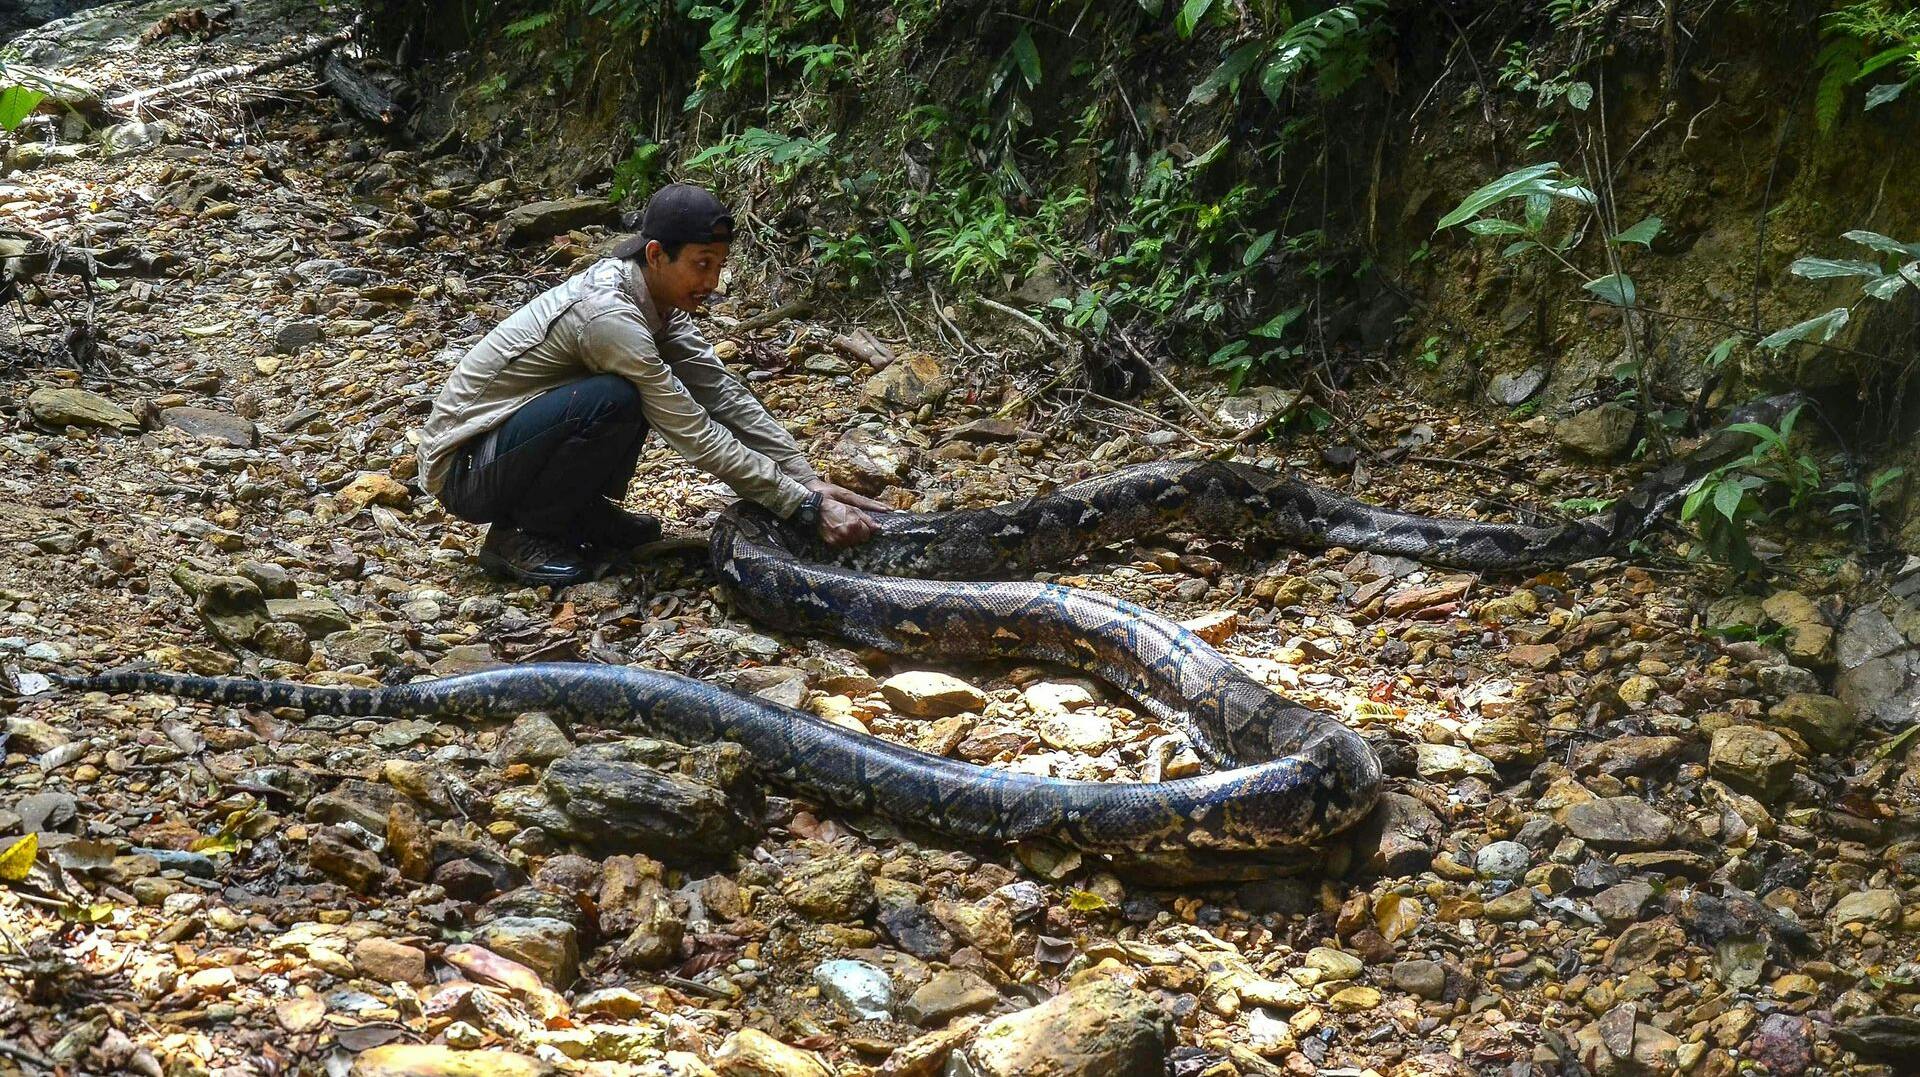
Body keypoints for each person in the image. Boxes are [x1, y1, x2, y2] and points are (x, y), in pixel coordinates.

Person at [416, 182, 884, 586]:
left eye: (719, 266)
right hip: (464, 468)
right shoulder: (608, 317)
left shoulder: (657, 304)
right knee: (616, 398)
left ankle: (577, 511)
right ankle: (520, 536)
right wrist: (800, 506)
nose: (713, 282)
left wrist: (805, 478)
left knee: (623, 395)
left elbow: (722, 394)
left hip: (505, 449)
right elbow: (693, 431)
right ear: (656, 255)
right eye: (702, 265)